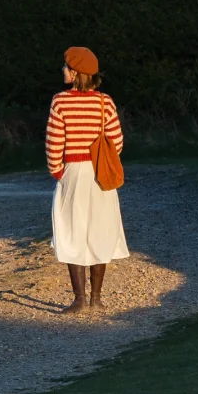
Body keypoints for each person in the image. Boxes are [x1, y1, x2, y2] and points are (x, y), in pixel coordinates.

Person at [46, 45, 128, 313]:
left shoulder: (60, 101)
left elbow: (54, 142)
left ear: (75, 72)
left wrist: (56, 170)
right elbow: (116, 143)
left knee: (72, 231)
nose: (62, 70)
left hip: (73, 172)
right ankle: (97, 299)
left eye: (65, 67)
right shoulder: (105, 102)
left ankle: (79, 299)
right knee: (99, 231)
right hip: (99, 174)